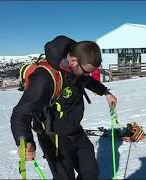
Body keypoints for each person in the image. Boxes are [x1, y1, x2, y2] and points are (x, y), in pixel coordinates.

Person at [10, 35, 118, 179]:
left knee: (90, 172)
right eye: (86, 71)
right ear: (73, 60)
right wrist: (25, 140)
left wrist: (105, 92)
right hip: (52, 136)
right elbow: (21, 113)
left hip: (75, 130)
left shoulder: (78, 69)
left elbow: (86, 80)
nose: (88, 75)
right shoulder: (45, 78)